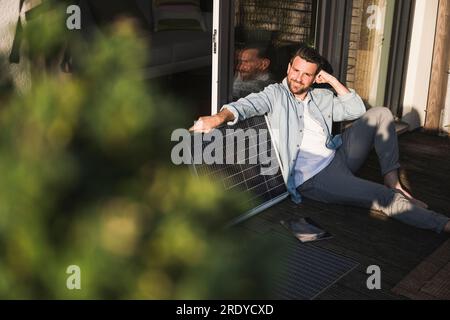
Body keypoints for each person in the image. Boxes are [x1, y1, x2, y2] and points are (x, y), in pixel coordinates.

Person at [190, 45, 450, 234]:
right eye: (295, 70)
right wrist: (218, 118)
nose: (297, 78)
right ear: (289, 67)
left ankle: (393, 181)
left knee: (380, 114)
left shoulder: (321, 96)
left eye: (306, 75)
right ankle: (441, 222)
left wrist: (334, 81)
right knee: (379, 197)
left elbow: (355, 110)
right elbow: (246, 105)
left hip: (337, 155)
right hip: (316, 178)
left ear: (316, 78)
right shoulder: (275, 95)